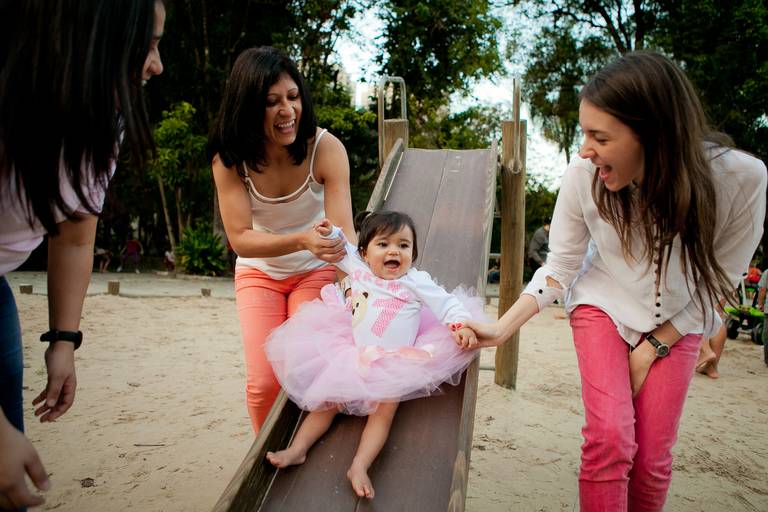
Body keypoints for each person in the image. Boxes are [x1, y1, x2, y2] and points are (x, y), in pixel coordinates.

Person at [459, 52, 766, 511]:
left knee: (653, 460)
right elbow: (561, 266)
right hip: (603, 303)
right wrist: (501, 329)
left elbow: (720, 280)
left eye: (600, 137)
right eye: (585, 133)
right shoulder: (583, 175)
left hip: (682, 318)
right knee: (611, 438)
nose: (585, 150)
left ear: (654, 133)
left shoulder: (741, 179)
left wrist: (653, 346)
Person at [0, 1, 165, 509]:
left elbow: (74, 236)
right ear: (96, 37)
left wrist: (63, 340)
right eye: (148, 44)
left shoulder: (103, 122)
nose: (158, 65)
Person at [264, 212, 480, 499]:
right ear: (365, 253)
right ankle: (298, 449)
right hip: (354, 354)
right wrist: (330, 233)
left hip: (394, 361)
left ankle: (360, 465)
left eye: (403, 245)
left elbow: (447, 304)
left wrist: (460, 325)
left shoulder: (415, 281)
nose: (394, 251)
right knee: (327, 402)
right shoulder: (358, 267)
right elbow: (342, 247)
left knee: (382, 414)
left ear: (413, 254)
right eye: (383, 244)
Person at [208, 46, 356, 434]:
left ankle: (305, 447)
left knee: (303, 365)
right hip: (260, 273)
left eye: (293, 97)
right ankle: (265, 459)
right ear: (247, 107)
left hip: (314, 271)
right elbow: (241, 239)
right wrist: (303, 239)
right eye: (272, 102)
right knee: (263, 384)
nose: (287, 110)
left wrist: (357, 294)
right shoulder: (229, 159)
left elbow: (343, 233)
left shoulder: (325, 149)